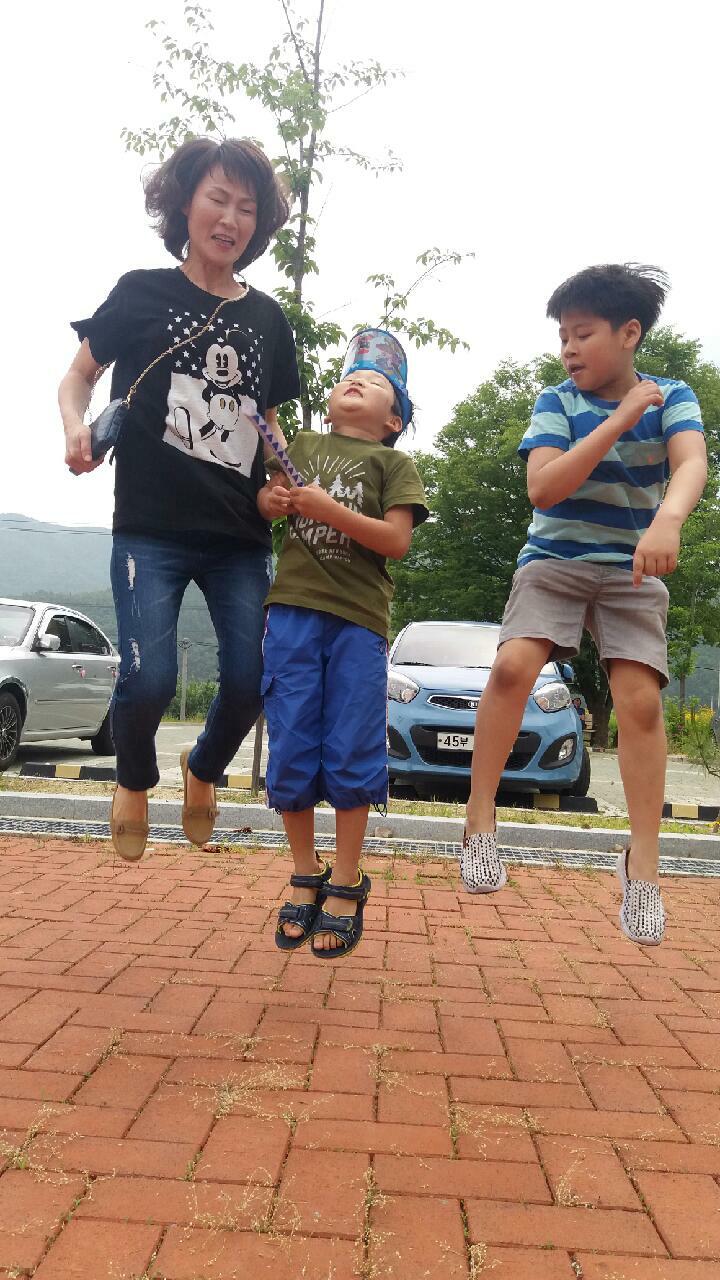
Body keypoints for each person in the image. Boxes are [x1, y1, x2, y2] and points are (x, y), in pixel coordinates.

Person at [58, 137, 300, 862]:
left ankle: (203, 767)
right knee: (148, 679)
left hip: (239, 535)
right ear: (185, 204)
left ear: (259, 225)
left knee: (253, 681)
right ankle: (134, 779)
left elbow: (267, 422)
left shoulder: (269, 320)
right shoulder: (140, 292)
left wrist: (286, 477)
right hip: (151, 528)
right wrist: (75, 427)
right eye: (217, 199)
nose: (230, 219)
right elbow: (77, 377)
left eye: (246, 208)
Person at [463, 264, 707, 946]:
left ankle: (643, 866)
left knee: (641, 704)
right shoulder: (557, 401)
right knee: (513, 668)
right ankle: (479, 818)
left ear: (629, 334)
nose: (569, 349)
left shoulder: (673, 395)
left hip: (633, 567)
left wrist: (669, 522)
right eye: (562, 337)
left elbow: (690, 463)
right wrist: (621, 419)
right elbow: (544, 488)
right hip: (555, 561)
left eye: (582, 334)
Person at [257, 330, 428, 959]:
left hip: (358, 621)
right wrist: (273, 500)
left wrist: (329, 509)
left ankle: (349, 877)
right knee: (292, 741)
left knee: (353, 746)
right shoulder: (300, 445)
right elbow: (266, 500)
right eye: (349, 376)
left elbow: (396, 542)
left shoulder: (394, 466)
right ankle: (305, 870)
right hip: (291, 612)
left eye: (376, 382)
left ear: (393, 420)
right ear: (330, 402)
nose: (356, 381)